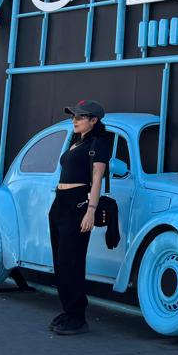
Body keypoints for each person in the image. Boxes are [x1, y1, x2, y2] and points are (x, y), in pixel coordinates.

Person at [48, 99, 110, 336]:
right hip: (60, 204)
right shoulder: (76, 142)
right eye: (73, 116)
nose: (74, 120)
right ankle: (68, 310)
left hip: (78, 204)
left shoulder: (98, 143)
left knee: (71, 261)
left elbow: (97, 179)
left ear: (94, 120)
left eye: (80, 117)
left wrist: (90, 211)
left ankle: (77, 316)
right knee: (60, 261)